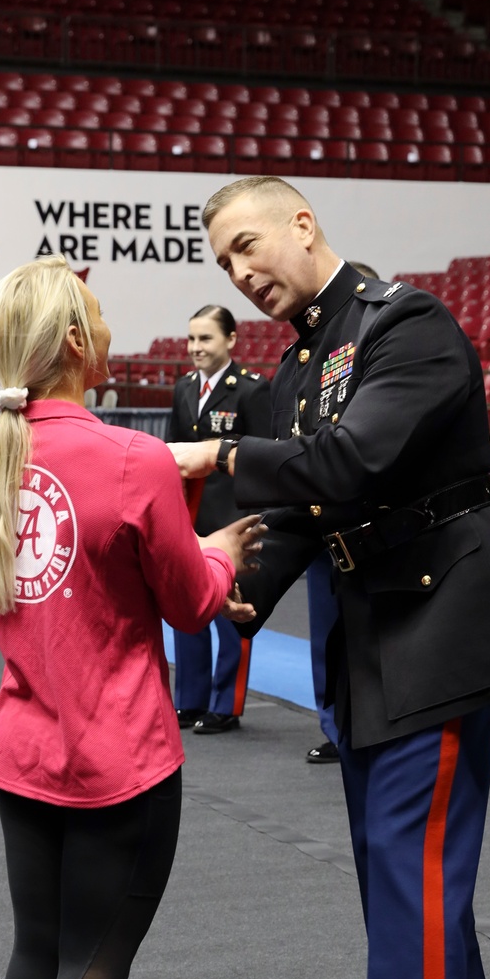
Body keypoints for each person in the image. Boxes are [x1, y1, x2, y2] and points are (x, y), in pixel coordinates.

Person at [169, 177, 490, 979]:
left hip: (439, 627)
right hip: (377, 630)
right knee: (405, 869)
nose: (242, 272)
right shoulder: (305, 356)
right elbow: (304, 513)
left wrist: (213, 450)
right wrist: (233, 592)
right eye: (224, 264)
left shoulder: (408, 323)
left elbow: (347, 464)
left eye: (249, 244)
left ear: (303, 223)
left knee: (409, 866)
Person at [0, 256, 263, 979]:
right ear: (79, 344)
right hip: (118, 756)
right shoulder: (126, 460)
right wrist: (220, 556)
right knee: (94, 963)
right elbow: (186, 600)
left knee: (38, 951)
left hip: (23, 745)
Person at [166, 305, 272, 734]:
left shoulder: (251, 390)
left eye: (205, 339)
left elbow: (264, 458)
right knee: (187, 608)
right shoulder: (183, 388)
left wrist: (255, 519)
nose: (196, 348)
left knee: (232, 616)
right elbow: (172, 454)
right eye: (192, 339)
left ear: (230, 340)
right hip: (187, 517)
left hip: (231, 517)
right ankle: (190, 699)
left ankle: (225, 704)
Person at [304, 263, 380, 766]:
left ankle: (365, 722)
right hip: (318, 520)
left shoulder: (384, 351)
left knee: (367, 631)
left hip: (370, 525)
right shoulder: (314, 362)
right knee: (322, 631)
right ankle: (333, 725)